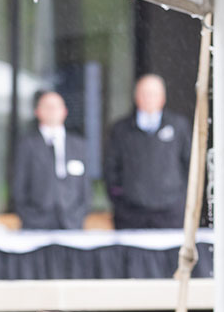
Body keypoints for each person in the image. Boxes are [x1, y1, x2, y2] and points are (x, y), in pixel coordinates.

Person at [104, 74, 192, 229]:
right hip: (131, 215)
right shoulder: (121, 130)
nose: (148, 98)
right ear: (136, 96)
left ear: (162, 98)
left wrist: (180, 200)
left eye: (153, 94)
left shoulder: (179, 126)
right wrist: (121, 200)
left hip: (171, 214)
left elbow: (190, 166)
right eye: (144, 93)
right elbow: (111, 168)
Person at [11, 90, 91, 230]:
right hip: (36, 224)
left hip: (71, 223)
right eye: (47, 106)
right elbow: (19, 187)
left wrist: (77, 215)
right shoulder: (27, 145)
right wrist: (29, 216)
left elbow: (84, 187)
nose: (52, 111)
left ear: (64, 111)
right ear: (37, 112)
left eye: (56, 106)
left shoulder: (79, 146)